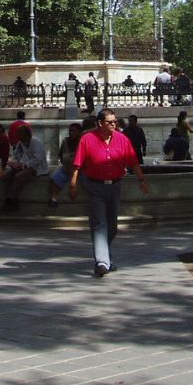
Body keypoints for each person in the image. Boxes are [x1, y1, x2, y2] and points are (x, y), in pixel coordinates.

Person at [70, 108, 149, 277]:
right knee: (99, 224)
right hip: (94, 186)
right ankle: (102, 262)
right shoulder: (87, 139)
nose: (114, 124)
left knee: (112, 226)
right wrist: (73, 185)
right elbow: (77, 164)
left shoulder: (122, 139)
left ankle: (106, 256)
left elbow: (133, 161)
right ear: (100, 123)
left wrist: (142, 179)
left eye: (115, 121)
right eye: (110, 122)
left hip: (114, 186)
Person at [1, 125, 49, 212]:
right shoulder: (20, 143)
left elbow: (37, 159)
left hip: (37, 167)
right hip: (24, 165)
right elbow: (16, 155)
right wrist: (14, 163)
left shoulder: (35, 142)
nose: (19, 137)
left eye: (20, 134)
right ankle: (13, 200)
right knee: (7, 176)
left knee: (19, 176)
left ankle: (10, 200)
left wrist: (23, 165)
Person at [48, 121, 84, 208]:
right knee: (55, 178)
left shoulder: (83, 141)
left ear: (79, 132)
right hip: (67, 167)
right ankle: (54, 198)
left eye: (74, 131)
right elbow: (60, 154)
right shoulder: (66, 141)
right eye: (70, 131)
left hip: (80, 170)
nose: (71, 133)